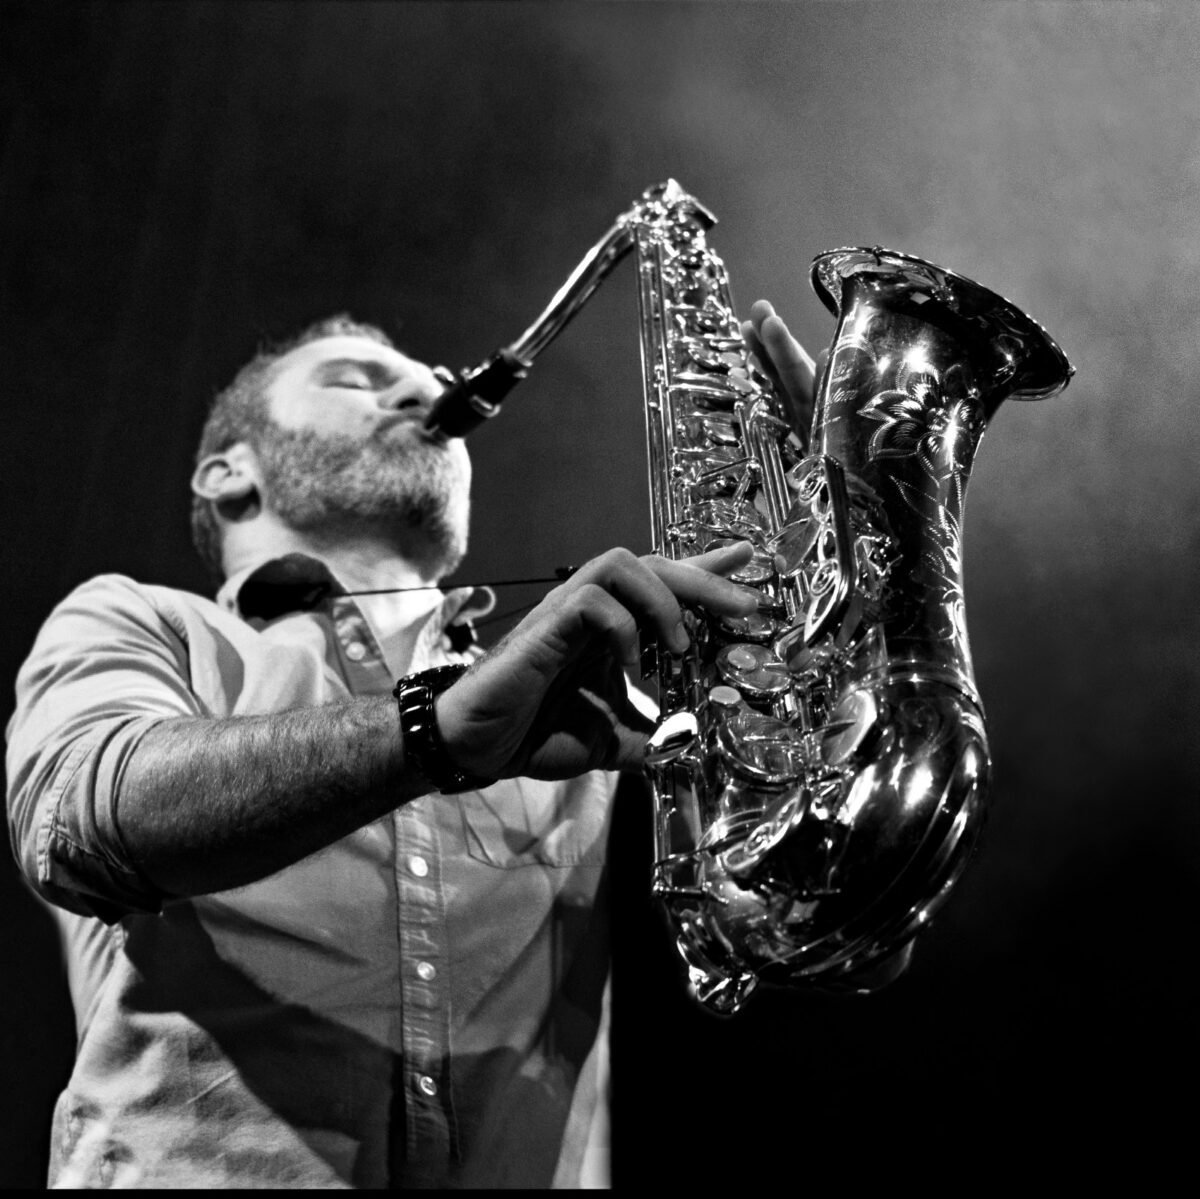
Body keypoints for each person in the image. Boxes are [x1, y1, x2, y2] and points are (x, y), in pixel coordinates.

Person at [5, 300, 815, 1189]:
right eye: (356, 381)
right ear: (228, 475)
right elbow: (77, 826)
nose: (424, 392)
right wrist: (431, 733)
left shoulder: (583, 704)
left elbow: (830, 928)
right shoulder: (143, 620)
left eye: (426, 382)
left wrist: (854, 563)